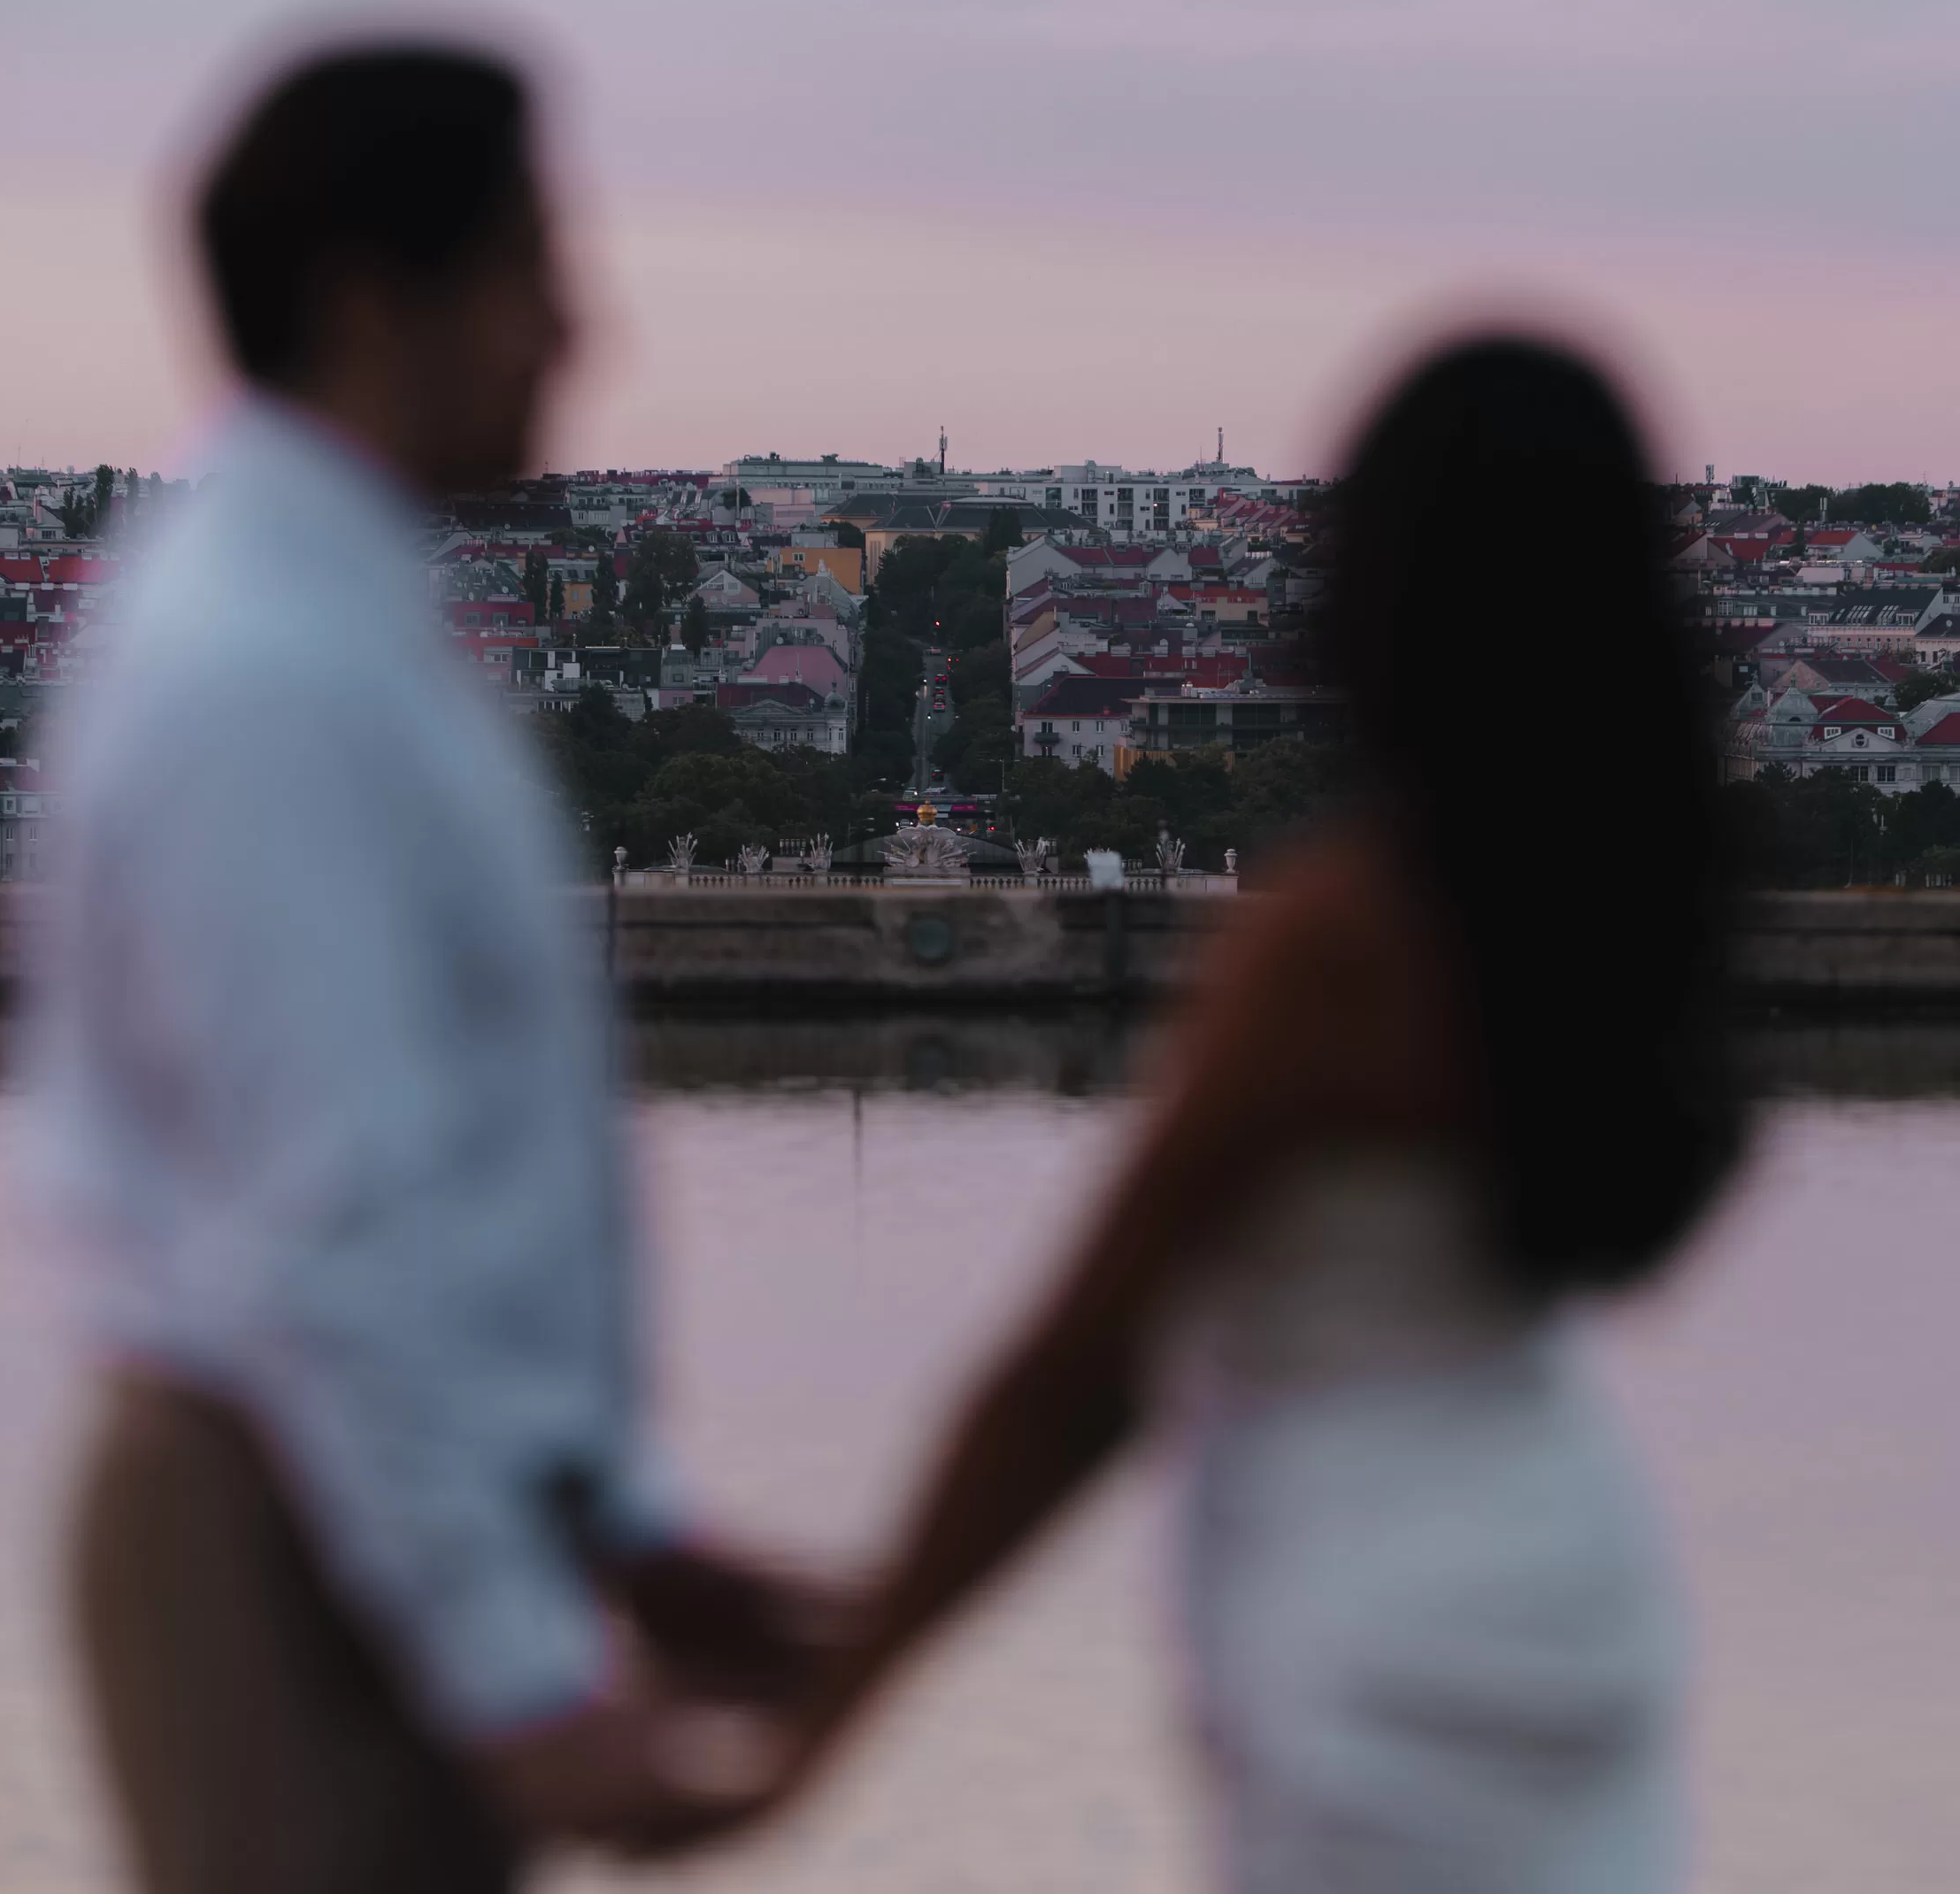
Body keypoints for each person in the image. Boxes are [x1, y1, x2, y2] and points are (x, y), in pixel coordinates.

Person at [742, 336, 1744, 1889]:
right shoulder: (1641, 919)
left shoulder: (1346, 940)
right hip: (1578, 1575)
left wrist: (831, 1710)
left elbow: (1080, 1371)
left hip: (1378, 1615)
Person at [25, 40, 827, 1894]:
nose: (579, 327)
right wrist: (518, 1670)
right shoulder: (265, 663)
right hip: (296, 1524)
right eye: (531, 266)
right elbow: (337, 1219)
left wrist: (617, 1525)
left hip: (366, 1489)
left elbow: (440, 1177)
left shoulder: (324, 609)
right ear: (367, 304)